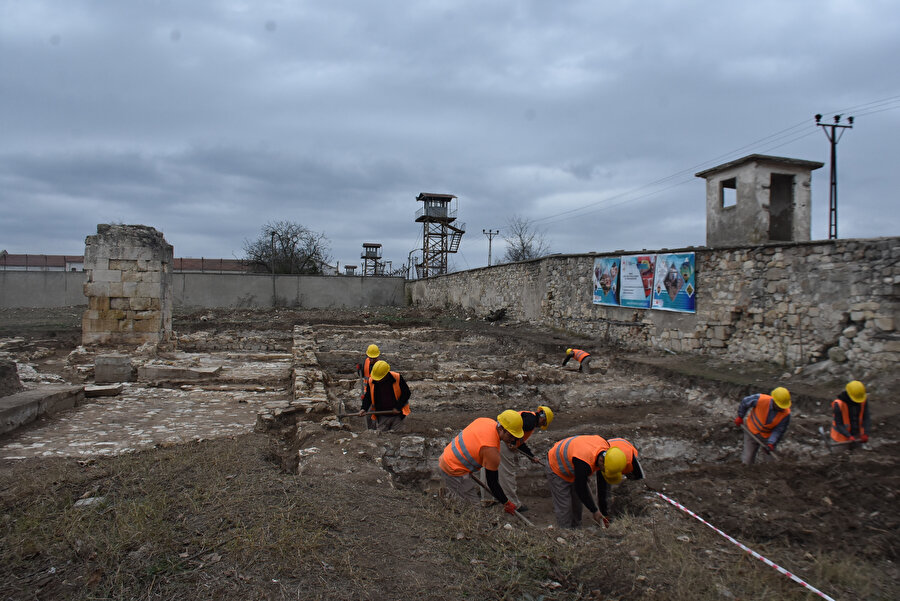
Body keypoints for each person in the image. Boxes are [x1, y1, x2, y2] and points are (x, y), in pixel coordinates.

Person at [545, 434, 643, 528]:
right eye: (604, 470)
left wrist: (602, 511)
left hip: (574, 462)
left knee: (577, 504)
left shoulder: (607, 453)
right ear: (601, 462)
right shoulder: (584, 463)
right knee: (565, 506)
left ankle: (576, 531)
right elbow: (581, 488)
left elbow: (597, 486)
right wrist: (595, 510)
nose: (603, 471)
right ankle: (564, 533)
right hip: (556, 465)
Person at [439, 410, 524, 515]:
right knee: (474, 511)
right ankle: (451, 504)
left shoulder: (485, 421)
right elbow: (492, 483)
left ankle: (451, 498)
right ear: (501, 428)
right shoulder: (491, 450)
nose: (512, 440)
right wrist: (506, 502)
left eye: (515, 437)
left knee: (462, 500)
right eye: (511, 436)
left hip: (447, 456)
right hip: (453, 470)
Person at [480, 406, 554, 511]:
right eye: (543, 423)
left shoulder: (527, 416)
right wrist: (512, 442)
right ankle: (513, 503)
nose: (541, 426)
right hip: (503, 444)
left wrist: (531, 456)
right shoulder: (531, 420)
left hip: (493, 439)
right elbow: (514, 434)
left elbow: (520, 442)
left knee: (487, 468)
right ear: (543, 418)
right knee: (507, 474)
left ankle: (487, 500)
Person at [734, 387, 791, 465]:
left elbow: (778, 431)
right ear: (774, 401)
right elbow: (745, 402)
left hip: (767, 437)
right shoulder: (761, 399)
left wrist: (771, 443)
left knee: (770, 463)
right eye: (780, 406)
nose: (782, 408)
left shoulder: (786, 414)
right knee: (747, 459)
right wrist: (740, 416)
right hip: (751, 430)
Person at [358, 360, 410, 432]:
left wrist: (398, 407)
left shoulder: (397, 377)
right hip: (382, 415)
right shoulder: (372, 381)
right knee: (383, 438)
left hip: (398, 416)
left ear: (386, 374)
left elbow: (406, 393)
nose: (378, 380)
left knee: (398, 437)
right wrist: (364, 408)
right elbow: (368, 396)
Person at [830, 380, 870, 452]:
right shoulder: (839, 405)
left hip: (857, 435)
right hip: (840, 438)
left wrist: (866, 433)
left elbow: (866, 417)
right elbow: (839, 424)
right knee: (839, 458)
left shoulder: (862, 400)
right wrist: (848, 436)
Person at [355, 344, 381, 429]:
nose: (372, 359)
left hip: (378, 394)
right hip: (368, 392)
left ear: (378, 356)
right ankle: (371, 431)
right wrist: (359, 370)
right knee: (368, 414)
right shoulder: (366, 361)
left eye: (374, 358)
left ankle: (379, 431)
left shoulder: (381, 367)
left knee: (375, 414)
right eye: (371, 357)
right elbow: (362, 374)